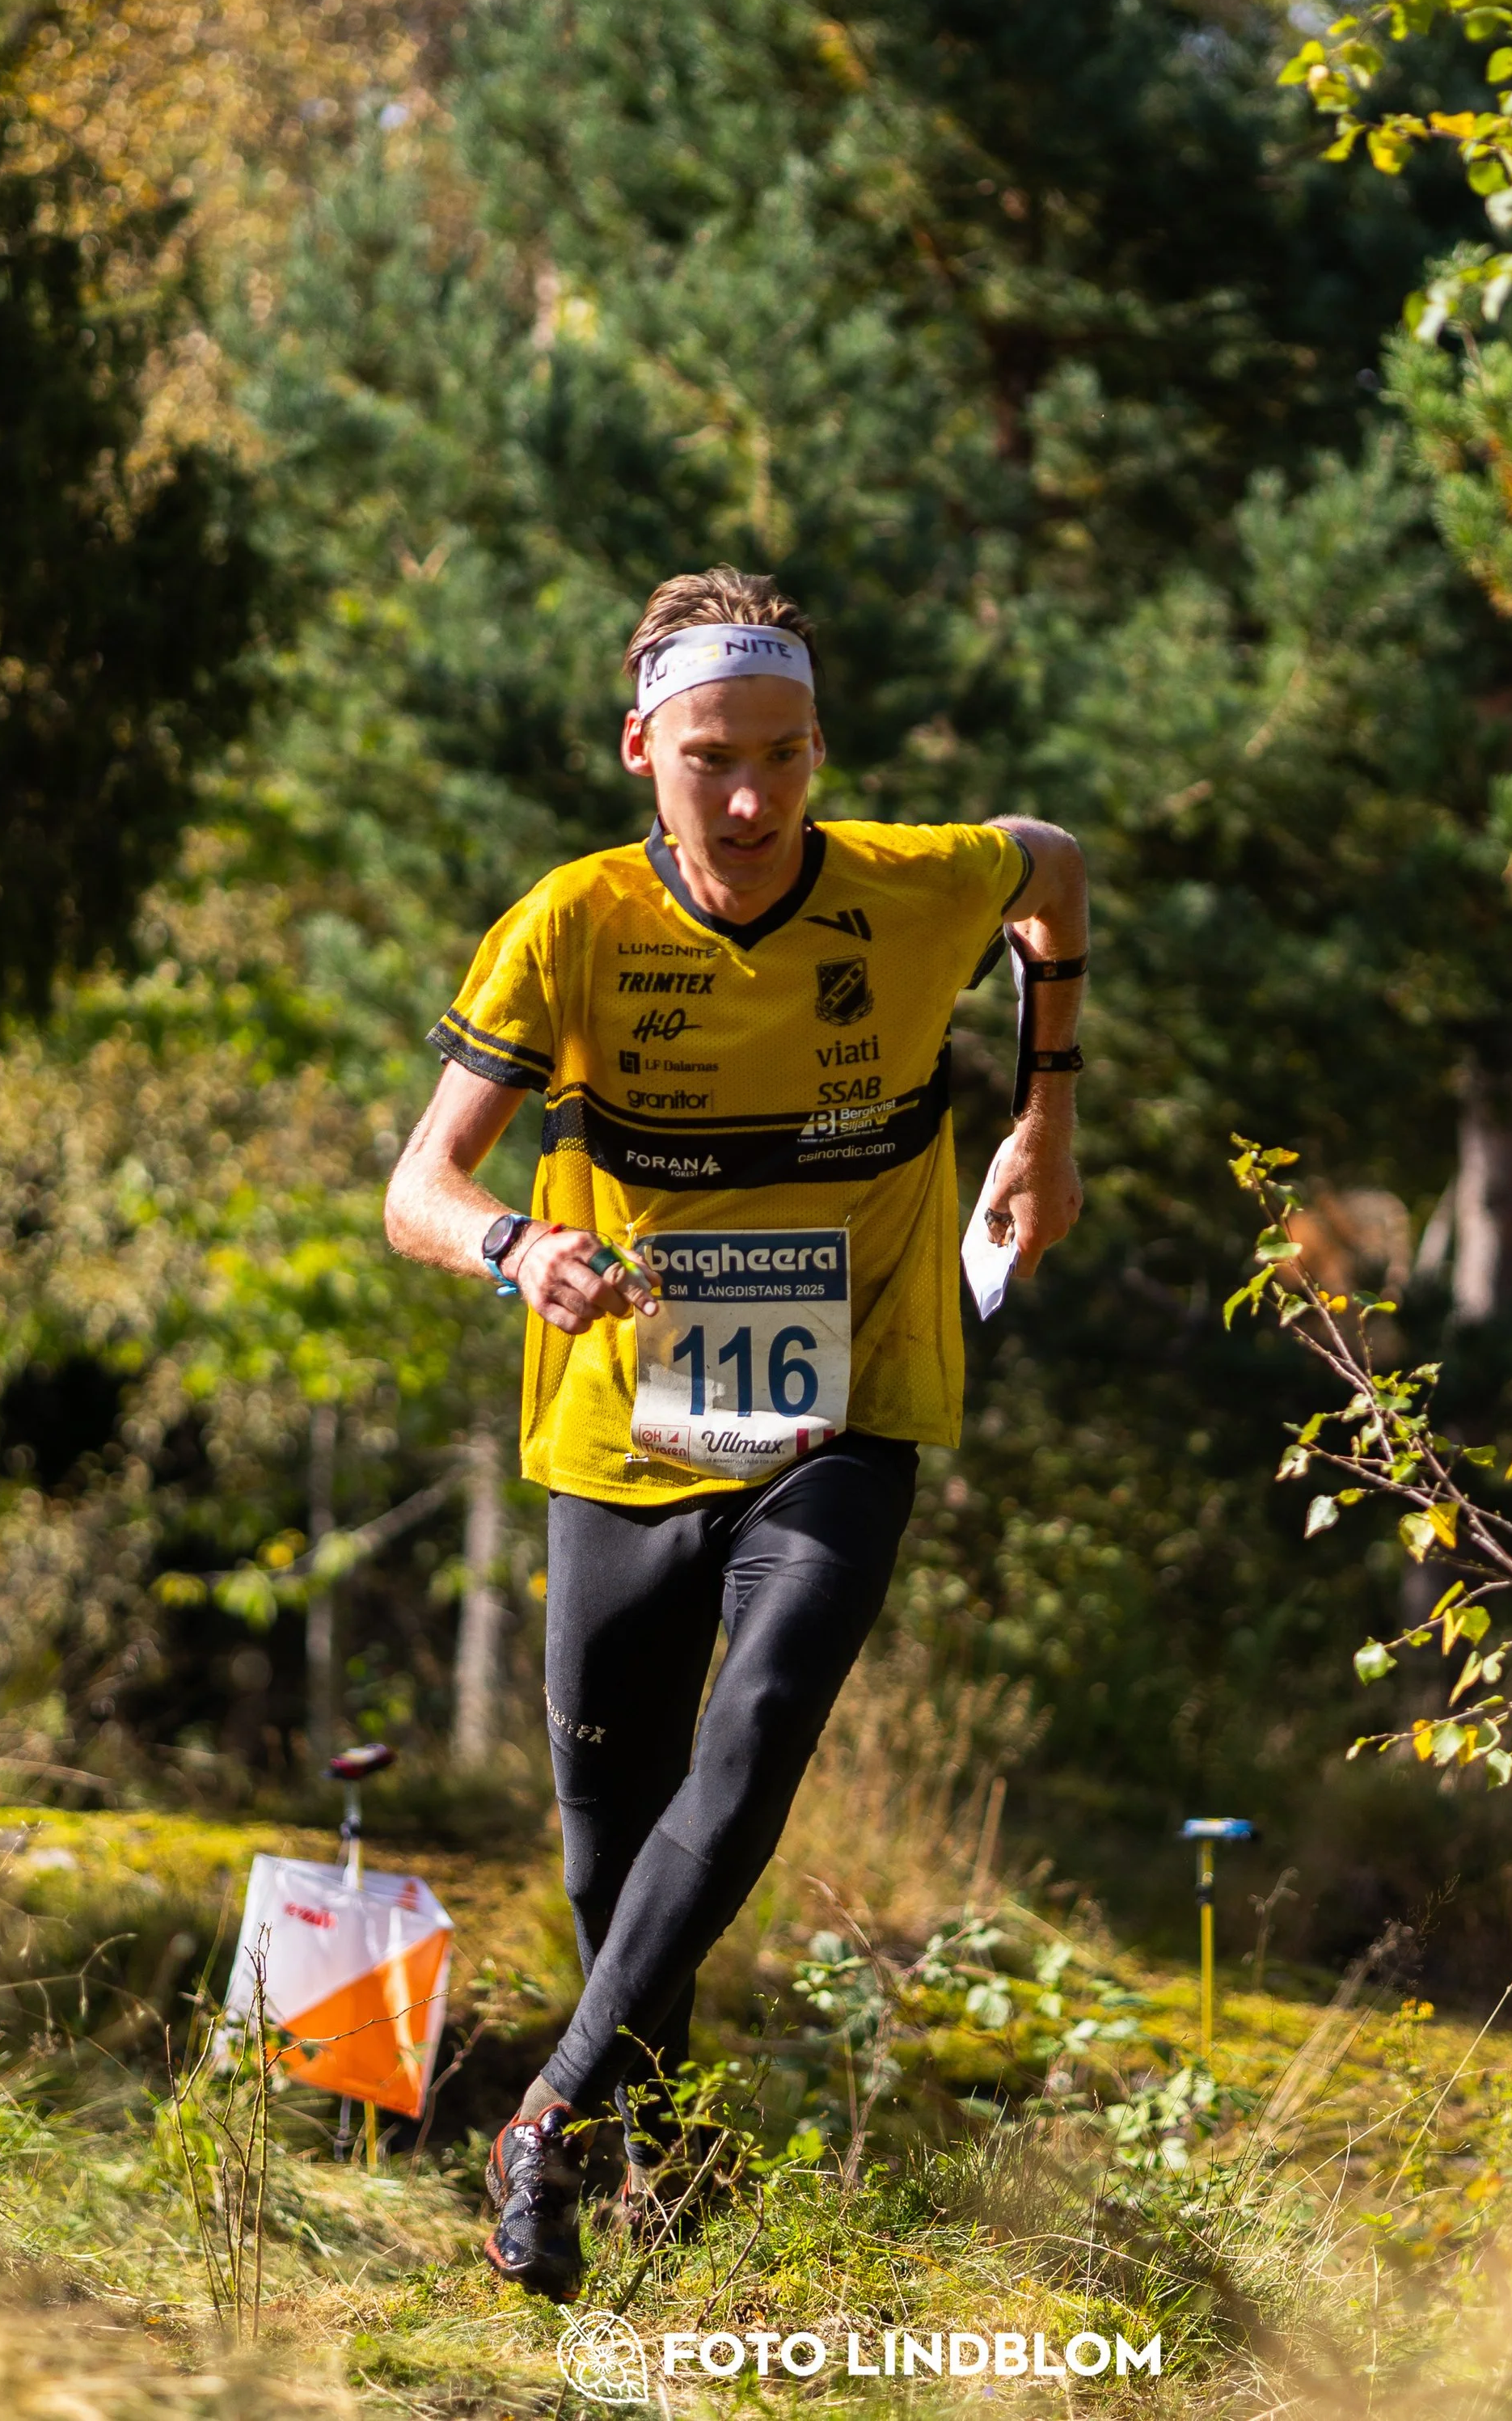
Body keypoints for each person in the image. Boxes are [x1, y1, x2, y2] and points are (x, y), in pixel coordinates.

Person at [383, 566, 1088, 2297]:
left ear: (819, 744)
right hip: (623, 1417)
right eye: (714, 759)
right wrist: (513, 1245)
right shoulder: (569, 922)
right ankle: (657, 2154)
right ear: (644, 750)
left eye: (784, 755)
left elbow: (1051, 866)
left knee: (759, 1728)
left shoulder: (911, 886)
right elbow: (419, 1183)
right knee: (611, 1841)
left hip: (843, 1398)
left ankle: (542, 2115)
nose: (757, 799)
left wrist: (1045, 1115)